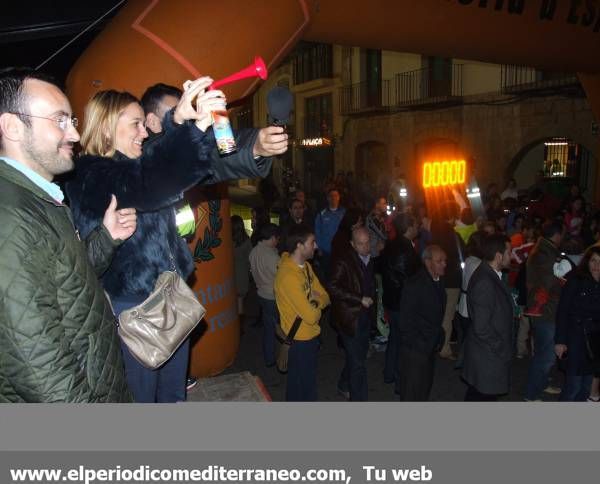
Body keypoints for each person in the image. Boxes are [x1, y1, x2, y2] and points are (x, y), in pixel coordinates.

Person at [66, 78, 288, 403]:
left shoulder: (141, 160)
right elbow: (150, 179)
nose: (144, 132)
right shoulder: (89, 173)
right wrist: (186, 128)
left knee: (173, 397)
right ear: (106, 128)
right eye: (136, 124)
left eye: (145, 123)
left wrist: (254, 145)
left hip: (170, 299)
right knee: (139, 402)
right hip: (132, 312)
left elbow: (201, 162)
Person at [0, 67, 137, 402]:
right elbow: (39, 364)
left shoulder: (37, 198)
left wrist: (105, 238)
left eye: (72, 120)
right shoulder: (11, 217)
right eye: (60, 120)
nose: (75, 135)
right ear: (12, 127)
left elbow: (65, 283)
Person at [274, 224, 330, 401]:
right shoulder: (288, 276)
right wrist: (316, 301)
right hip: (300, 340)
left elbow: (326, 296)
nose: (316, 246)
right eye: (312, 242)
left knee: (300, 383)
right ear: (299, 245)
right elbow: (312, 316)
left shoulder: (305, 266)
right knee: (304, 387)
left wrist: (316, 301)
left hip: (309, 336)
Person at [462, 234, 514, 401]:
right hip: (487, 356)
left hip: (487, 354)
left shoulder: (491, 274)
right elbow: (481, 327)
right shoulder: (485, 281)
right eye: (509, 252)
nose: (511, 256)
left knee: (479, 396)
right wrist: (501, 347)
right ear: (499, 256)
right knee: (482, 397)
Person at [329, 227, 376, 401]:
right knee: (358, 365)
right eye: (361, 244)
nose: (365, 247)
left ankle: (343, 384)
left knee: (356, 357)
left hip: (365, 316)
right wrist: (359, 299)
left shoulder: (370, 259)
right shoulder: (343, 261)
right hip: (349, 318)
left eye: (367, 242)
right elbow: (332, 287)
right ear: (352, 245)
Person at [396, 245, 447, 401]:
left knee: (424, 390)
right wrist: (420, 345)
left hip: (429, 347)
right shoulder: (415, 284)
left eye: (445, 260)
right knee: (412, 394)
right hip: (416, 351)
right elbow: (405, 321)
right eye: (439, 261)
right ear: (427, 262)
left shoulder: (437, 280)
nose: (444, 264)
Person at [524, 221, 564, 401]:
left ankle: (541, 384)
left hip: (543, 307)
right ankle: (530, 395)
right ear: (557, 235)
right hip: (544, 308)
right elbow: (549, 282)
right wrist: (566, 280)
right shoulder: (545, 253)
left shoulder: (544, 249)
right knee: (546, 355)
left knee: (544, 352)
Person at [554, 246, 600, 401]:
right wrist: (560, 340)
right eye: (593, 260)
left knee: (586, 387)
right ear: (587, 261)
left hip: (595, 342)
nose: (596, 265)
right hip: (575, 338)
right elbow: (563, 311)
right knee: (573, 386)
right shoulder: (576, 280)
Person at [381, 213, 421, 385]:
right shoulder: (404, 249)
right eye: (416, 224)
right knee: (402, 342)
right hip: (401, 303)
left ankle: (390, 374)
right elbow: (406, 280)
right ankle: (399, 378)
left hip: (392, 300)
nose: (418, 227)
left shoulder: (392, 245)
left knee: (395, 338)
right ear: (409, 227)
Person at [430, 201, 465, 359]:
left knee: (437, 312)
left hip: (436, 277)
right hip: (451, 279)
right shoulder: (452, 235)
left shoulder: (434, 232)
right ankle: (444, 349)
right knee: (448, 315)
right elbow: (461, 255)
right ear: (451, 216)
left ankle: (434, 344)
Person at [249, 223, 281, 367]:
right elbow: (282, 277)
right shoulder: (271, 256)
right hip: (273, 296)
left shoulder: (254, 252)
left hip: (261, 294)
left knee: (268, 329)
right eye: (277, 238)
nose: (278, 241)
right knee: (281, 328)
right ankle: (283, 355)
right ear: (273, 237)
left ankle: (269, 358)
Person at [314, 188, 345, 280]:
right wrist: (319, 248)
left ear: (339, 197)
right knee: (327, 274)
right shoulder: (321, 214)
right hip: (326, 251)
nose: (333, 198)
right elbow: (317, 231)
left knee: (340, 274)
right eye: (331, 196)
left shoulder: (344, 212)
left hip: (341, 250)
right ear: (327, 198)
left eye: (336, 195)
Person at [231, 215, 252, 318]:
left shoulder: (228, 241)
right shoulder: (246, 241)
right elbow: (250, 260)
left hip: (231, 274)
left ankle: (235, 325)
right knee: (240, 301)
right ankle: (240, 325)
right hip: (242, 274)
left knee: (234, 301)